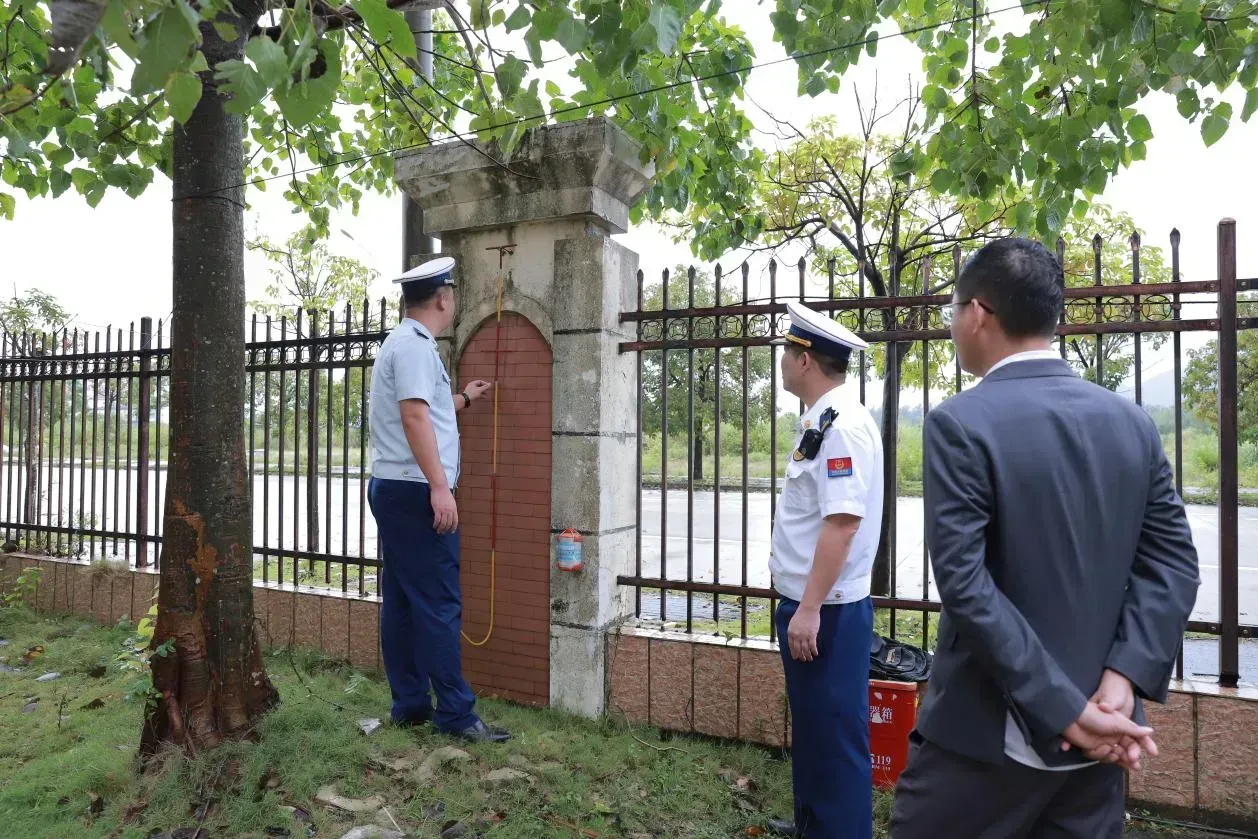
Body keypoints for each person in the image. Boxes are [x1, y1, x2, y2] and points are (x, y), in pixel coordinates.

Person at [890, 238, 1200, 837]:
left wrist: (1065, 709)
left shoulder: (959, 422)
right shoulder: (1132, 422)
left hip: (985, 741)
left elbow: (966, 585)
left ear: (977, 313)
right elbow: (1174, 564)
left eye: (953, 310)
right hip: (1103, 737)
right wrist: (1122, 680)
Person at [366, 256, 509, 744]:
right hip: (414, 490)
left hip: (398, 486)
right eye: (452, 293)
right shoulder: (414, 348)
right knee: (438, 602)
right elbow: (413, 417)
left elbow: (425, 409)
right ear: (444, 299)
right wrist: (440, 487)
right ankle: (456, 714)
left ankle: (410, 705)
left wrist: (463, 398)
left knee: (404, 600)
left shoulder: (405, 342)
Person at [765, 300, 884, 839]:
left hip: (827, 613)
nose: (782, 363)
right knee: (815, 728)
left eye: (786, 353)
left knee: (835, 736)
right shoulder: (823, 420)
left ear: (805, 360)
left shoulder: (842, 429)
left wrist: (809, 608)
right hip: (812, 607)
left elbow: (841, 525)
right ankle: (813, 824)